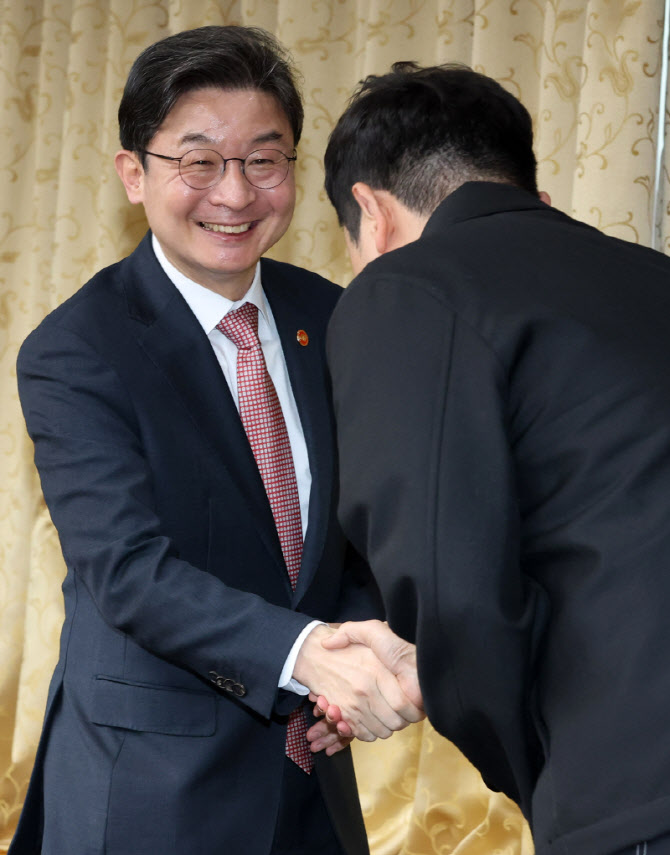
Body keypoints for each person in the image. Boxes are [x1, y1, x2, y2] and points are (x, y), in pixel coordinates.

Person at [11, 27, 423, 855]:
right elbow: (129, 572)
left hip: (310, 781)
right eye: (199, 161)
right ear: (136, 173)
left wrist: (355, 657)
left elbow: (351, 534)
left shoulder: (334, 317)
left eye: (264, 160)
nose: (234, 193)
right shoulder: (76, 349)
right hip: (149, 793)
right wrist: (309, 656)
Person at [321, 61, 670, 855]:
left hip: (638, 778)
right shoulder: (653, 275)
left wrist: (537, 767)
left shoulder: (406, 287)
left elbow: (451, 587)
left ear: (370, 214)